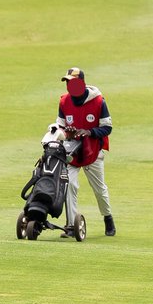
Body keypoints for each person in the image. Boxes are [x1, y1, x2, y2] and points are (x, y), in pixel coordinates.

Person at [57, 67, 115, 237]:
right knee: (69, 186)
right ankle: (71, 225)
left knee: (99, 189)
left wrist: (89, 132)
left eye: (72, 82)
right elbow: (60, 126)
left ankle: (108, 217)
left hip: (92, 153)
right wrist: (68, 132)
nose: (69, 85)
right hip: (72, 153)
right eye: (67, 82)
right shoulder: (64, 102)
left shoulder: (98, 102)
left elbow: (107, 127)